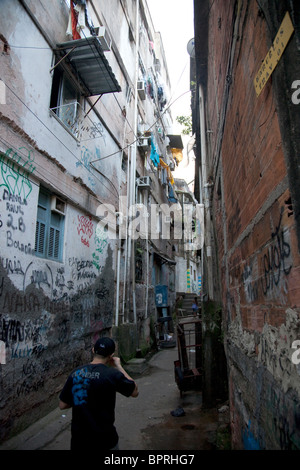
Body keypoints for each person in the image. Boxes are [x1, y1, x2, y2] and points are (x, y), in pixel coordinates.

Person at [59, 336, 138, 450]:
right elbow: (134, 391)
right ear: (111, 355)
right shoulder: (111, 375)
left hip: (79, 441)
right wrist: (118, 366)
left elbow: (62, 405)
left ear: (93, 350)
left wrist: (83, 398)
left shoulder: (76, 373)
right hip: (105, 440)